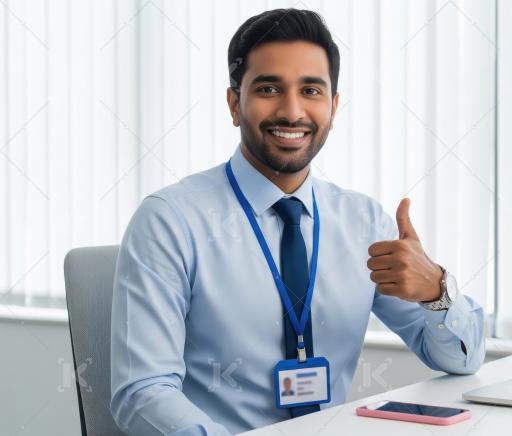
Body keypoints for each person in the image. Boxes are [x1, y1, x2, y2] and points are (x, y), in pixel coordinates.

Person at [109, 8, 485, 435]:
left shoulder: (363, 222)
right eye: (269, 89)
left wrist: (437, 290)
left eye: (311, 90)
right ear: (234, 104)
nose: (292, 111)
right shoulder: (171, 221)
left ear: (333, 107)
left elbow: (464, 360)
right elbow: (142, 392)